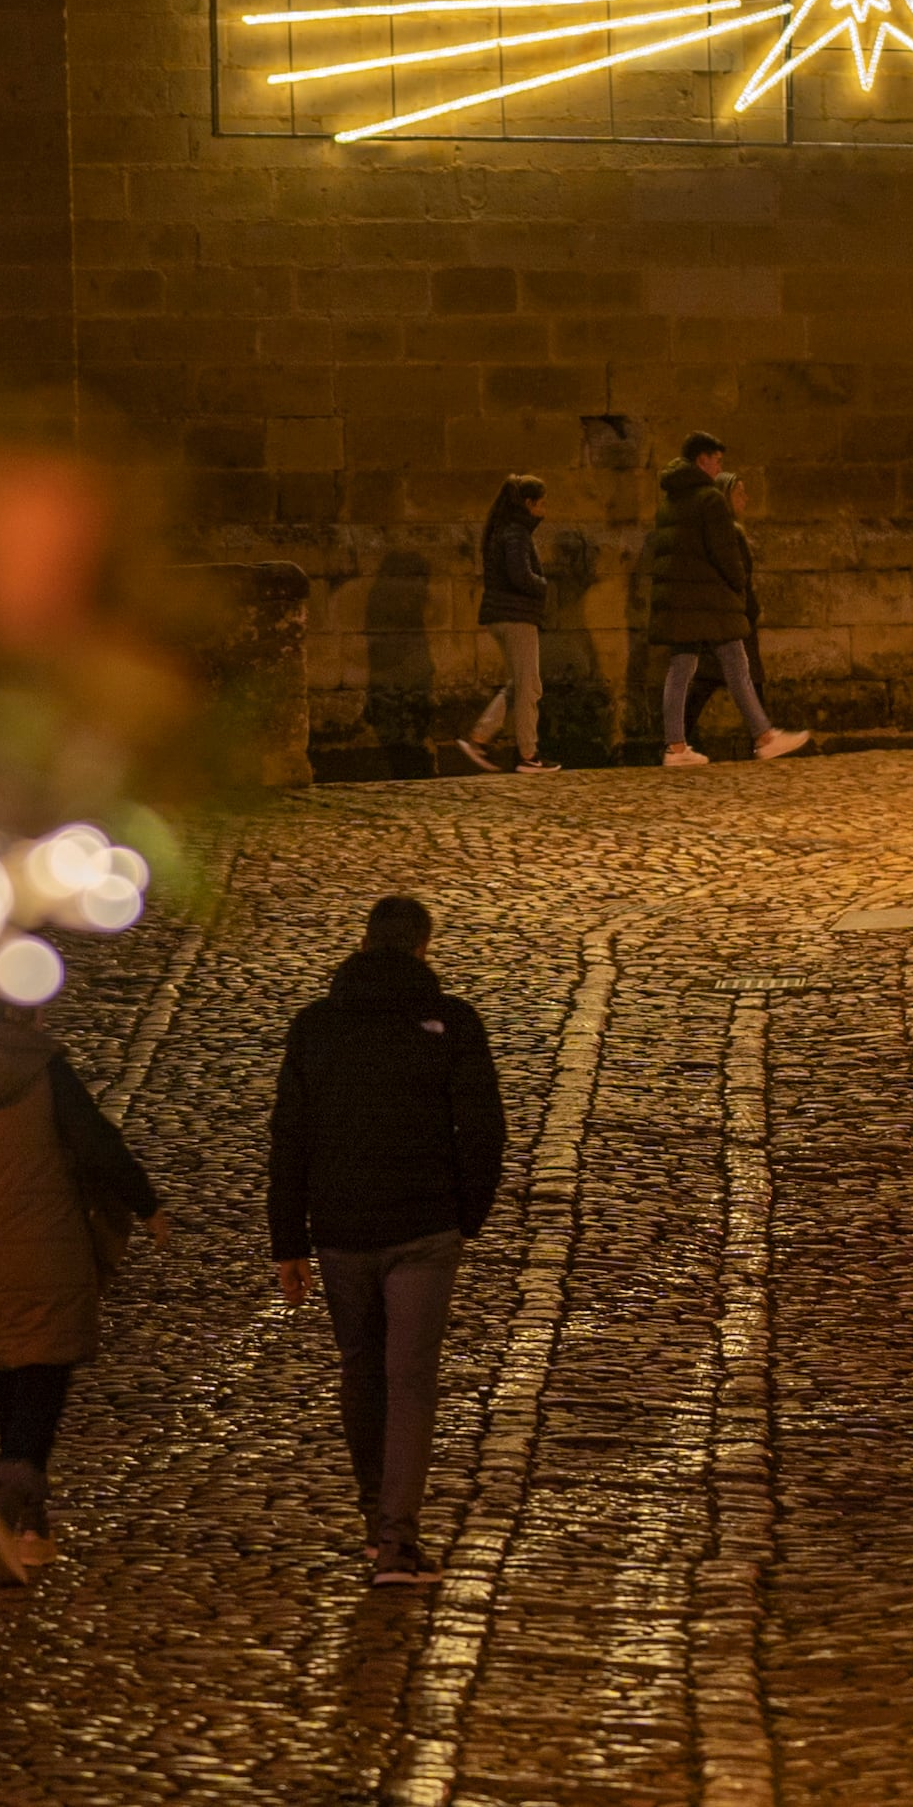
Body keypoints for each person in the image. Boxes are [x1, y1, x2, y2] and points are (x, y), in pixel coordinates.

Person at [267, 893, 509, 1584]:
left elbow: (290, 1137)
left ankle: (378, 1518)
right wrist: (467, 1213)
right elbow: (483, 1128)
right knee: (409, 1383)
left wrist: (289, 1241)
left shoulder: (315, 1027)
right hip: (422, 1229)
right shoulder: (452, 1023)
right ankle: (398, 1541)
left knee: (361, 1371)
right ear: (424, 948)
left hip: (341, 1230)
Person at [0, 999, 165, 1584]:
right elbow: (94, 1141)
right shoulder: (41, 1069)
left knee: (14, 1367)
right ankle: (6, 1511)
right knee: (45, 1370)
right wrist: (146, 1202)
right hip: (42, 1239)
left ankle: (34, 1530)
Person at [644, 435, 809, 768]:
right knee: (736, 663)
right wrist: (737, 585)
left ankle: (676, 747)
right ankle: (764, 737)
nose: (719, 467)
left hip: (681, 602)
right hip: (709, 601)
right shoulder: (709, 500)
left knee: (681, 670)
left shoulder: (670, 502)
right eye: (716, 460)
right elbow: (724, 553)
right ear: (703, 460)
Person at [459, 474, 553, 774]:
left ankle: (480, 737)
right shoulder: (516, 533)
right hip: (516, 616)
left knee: (519, 685)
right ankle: (528, 754)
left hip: (503, 615)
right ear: (528, 503)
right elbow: (519, 575)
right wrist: (543, 584)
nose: (543, 510)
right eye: (540, 504)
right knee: (529, 686)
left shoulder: (503, 530)